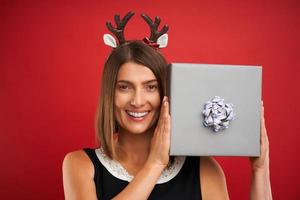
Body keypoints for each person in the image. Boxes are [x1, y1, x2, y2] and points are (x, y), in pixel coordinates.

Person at [62, 12, 272, 200]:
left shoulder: (203, 169)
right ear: (110, 94)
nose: (137, 100)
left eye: (150, 87)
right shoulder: (80, 165)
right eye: (124, 87)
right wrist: (155, 164)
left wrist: (260, 170)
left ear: (165, 93)